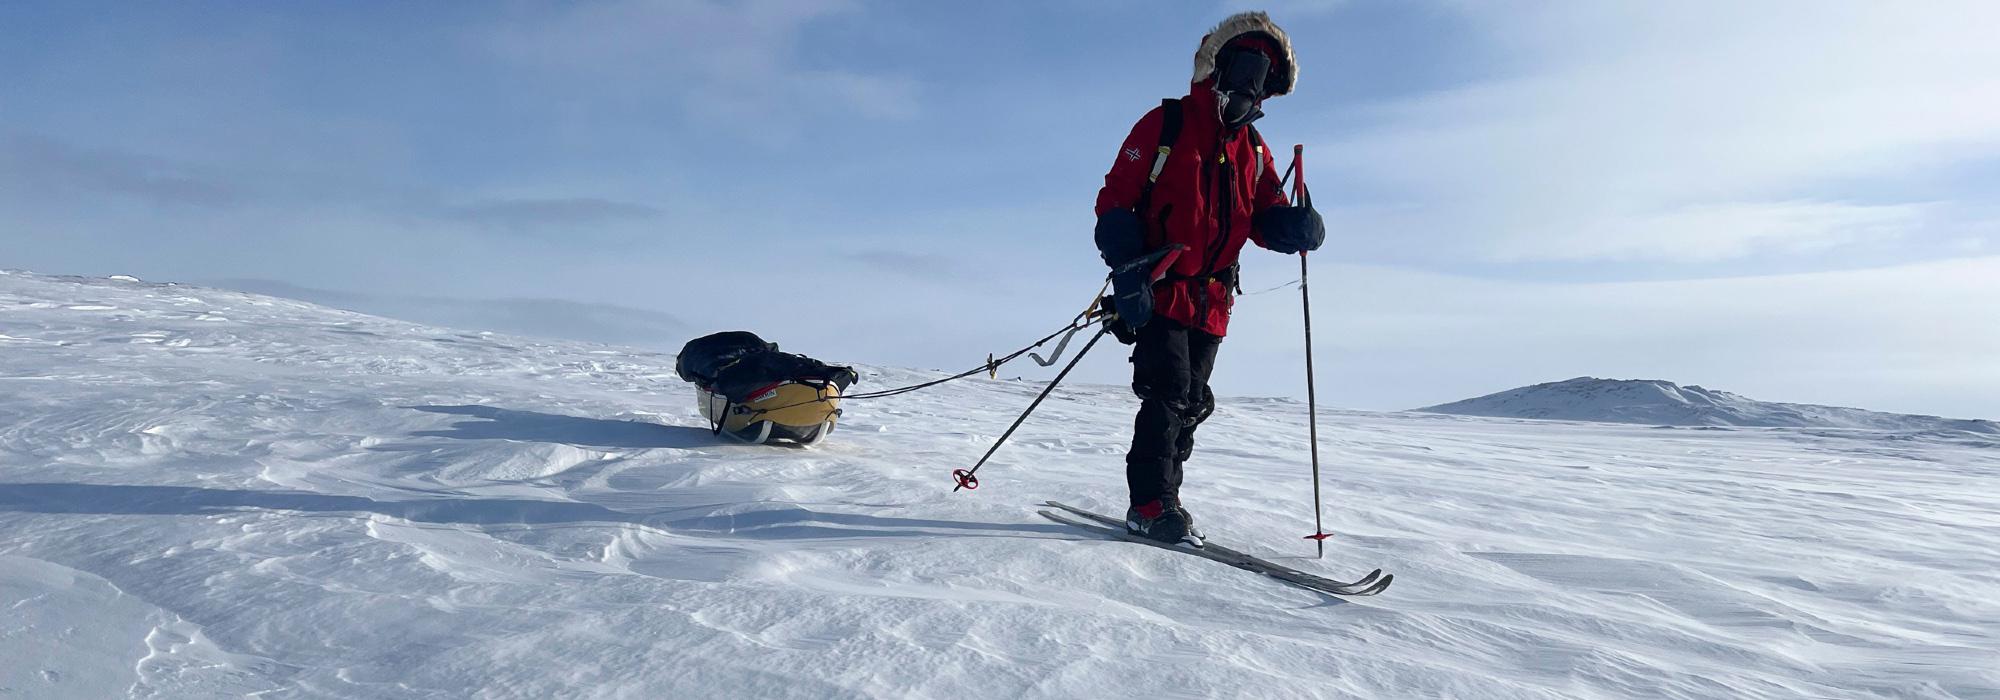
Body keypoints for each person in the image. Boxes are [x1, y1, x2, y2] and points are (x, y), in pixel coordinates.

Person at [1093, 11, 1324, 547]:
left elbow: (1264, 212)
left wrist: (1295, 226)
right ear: (1216, 67)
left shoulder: (1255, 149)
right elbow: (1116, 201)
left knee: (1194, 398)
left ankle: (1166, 496)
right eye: (1245, 67)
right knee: (1169, 391)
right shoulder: (1165, 124)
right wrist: (1128, 274)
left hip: (1215, 297)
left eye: (1263, 77)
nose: (1251, 85)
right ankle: (1150, 503)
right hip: (1160, 286)